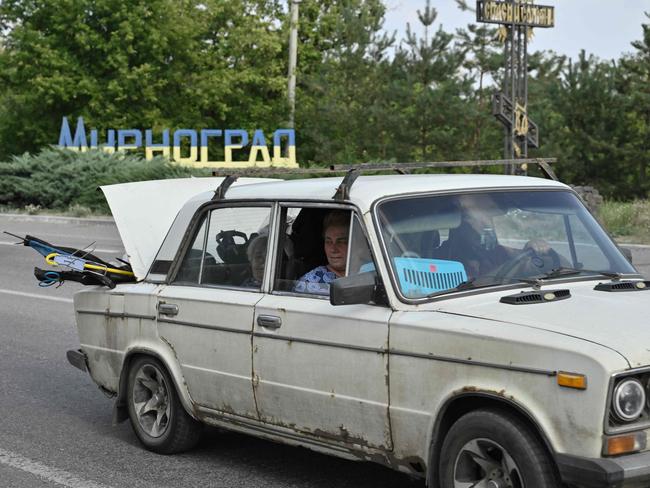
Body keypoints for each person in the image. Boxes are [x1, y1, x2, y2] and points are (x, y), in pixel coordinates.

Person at [293, 211, 349, 294]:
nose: (333, 249)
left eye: (341, 241)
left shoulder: (369, 272)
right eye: (328, 241)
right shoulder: (308, 284)